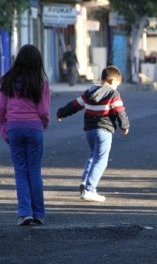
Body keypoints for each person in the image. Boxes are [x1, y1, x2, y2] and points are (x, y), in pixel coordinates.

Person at [56, 66, 130, 202]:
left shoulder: (89, 92)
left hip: (89, 130)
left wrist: (61, 113)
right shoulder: (113, 94)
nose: (117, 88)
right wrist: (124, 126)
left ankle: (84, 183)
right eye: (117, 85)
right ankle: (90, 190)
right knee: (101, 160)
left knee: (93, 155)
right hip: (104, 130)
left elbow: (75, 105)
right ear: (112, 80)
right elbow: (120, 111)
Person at [0, 44, 51, 226]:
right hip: (34, 128)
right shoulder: (41, 82)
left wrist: (4, 131)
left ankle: (24, 213)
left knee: (20, 171)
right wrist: (44, 123)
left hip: (14, 128)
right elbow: (43, 110)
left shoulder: (8, 81)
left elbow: (0, 110)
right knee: (34, 171)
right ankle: (39, 213)